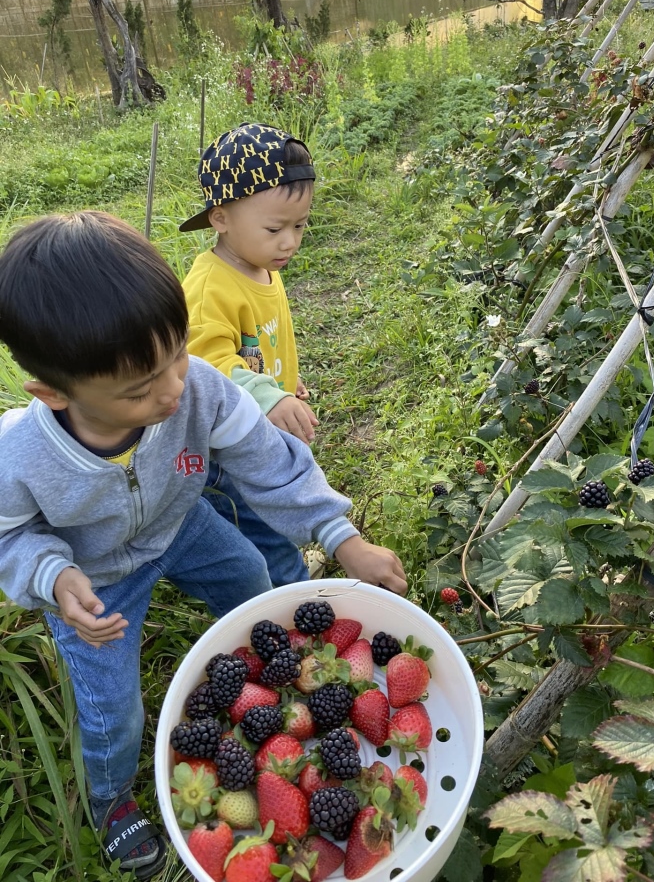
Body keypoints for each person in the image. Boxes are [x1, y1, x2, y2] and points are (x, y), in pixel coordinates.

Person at [0, 211, 407, 880]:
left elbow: (271, 462)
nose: (173, 391)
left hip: (179, 523)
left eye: (176, 357)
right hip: (93, 573)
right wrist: (51, 574)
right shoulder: (19, 456)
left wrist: (340, 535)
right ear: (52, 394)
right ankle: (108, 800)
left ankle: (267, 685)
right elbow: (7, 532)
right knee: (112, 707)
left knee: (249, 574)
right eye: (140, 389)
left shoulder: (200, 390)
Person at [181, 123, 320, 587]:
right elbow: (209, 368)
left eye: (300, 225)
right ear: (221, 218)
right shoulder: (208, 289)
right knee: (263, 528)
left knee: (279, 506)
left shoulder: (261, 265)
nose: (290, 242)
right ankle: (294, 596)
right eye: (275, 228)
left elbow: (259, 346)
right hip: (226, 452)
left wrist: (283, 386)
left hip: (258, 430)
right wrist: (268, 397)